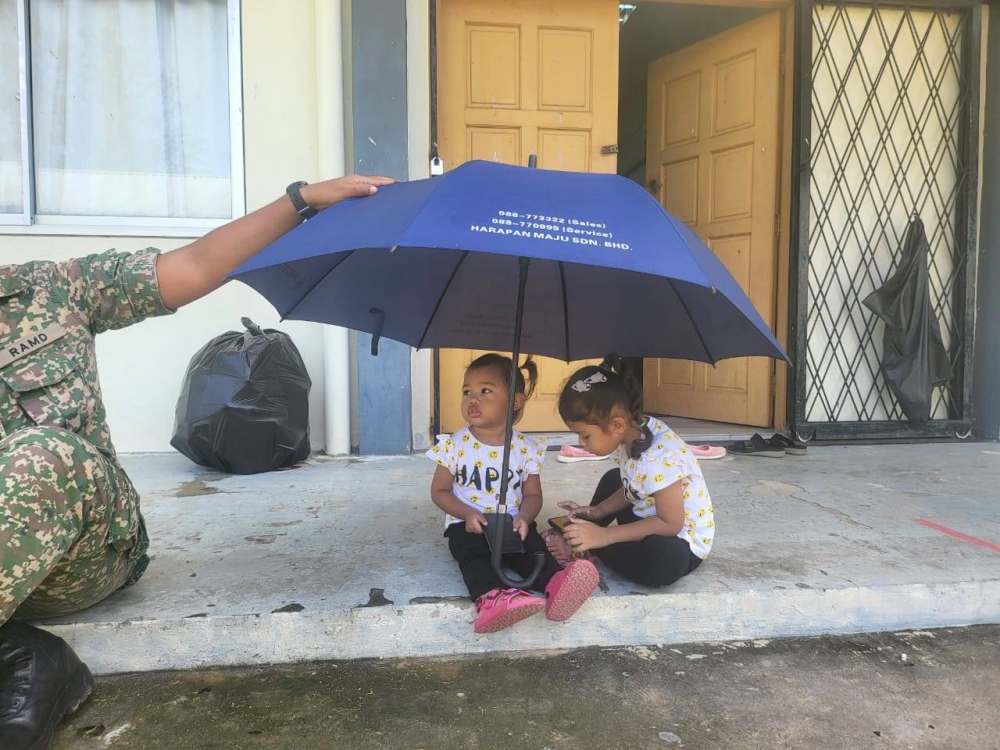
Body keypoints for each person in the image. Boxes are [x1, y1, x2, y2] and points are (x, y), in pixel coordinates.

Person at [0, 174, 394, 749]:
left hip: (80, 553)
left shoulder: (49, 290)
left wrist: (299, 201)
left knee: (42, 456)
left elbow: (198, 264)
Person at [428, 354, 598, 633]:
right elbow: (439, 491)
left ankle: (556, 585)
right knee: (473, 556)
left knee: (532, 548)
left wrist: (525, 516)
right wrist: (466, 513)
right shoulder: (455, 445)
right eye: (466, 391)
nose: (473, 398)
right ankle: (492, 599)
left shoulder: (524, 448)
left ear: (515, 401)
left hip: (510, 524)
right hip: (468, 525)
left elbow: (532, 495)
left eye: (486, 390)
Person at [544, 355, 714, 589]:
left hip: (678, 539)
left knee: (662, 560)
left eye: (585, 435)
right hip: (647, 514)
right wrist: (599, 510)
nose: (581, 443)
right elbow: (632, 487)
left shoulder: (657, 457)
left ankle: (589, 545)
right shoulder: (635, 431)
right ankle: (586, 535)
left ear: (617, 425)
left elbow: (670, 523)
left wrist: (604, 537)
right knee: (613, 478)